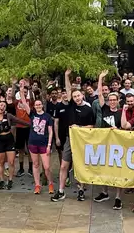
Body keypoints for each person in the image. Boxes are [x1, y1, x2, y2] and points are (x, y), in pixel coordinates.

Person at [52, 70, 96, 202]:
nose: (76, 98)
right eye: (74, 96)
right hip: (69, 140)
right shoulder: (71, 105)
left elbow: (92, 127)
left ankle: (81, 190)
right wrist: (66, 75)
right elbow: (68, 88)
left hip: (82, 142)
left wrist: (79, 128)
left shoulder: (88, 109)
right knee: (64, 166)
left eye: (78, 96)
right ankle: (60, 191)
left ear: (82, 96)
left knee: (80, 167)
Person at [0, 100, 28, 189]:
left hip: (9, 139)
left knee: (11, 162)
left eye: (4, 106)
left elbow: (19, 121)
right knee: (1, 162)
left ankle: (10, 180)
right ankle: (1, 180)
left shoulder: (8, 116)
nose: (2, 107)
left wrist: (31, 124)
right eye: (1, 105)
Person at [25, 94, 54, 195]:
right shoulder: (32, 114)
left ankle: (50, 183)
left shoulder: (47, 116)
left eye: (39, 104)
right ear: (34, 106)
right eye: (36, 105)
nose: (38, 106)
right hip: (33, 143)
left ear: (42, 105)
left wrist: (49, 145)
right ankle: (37, 185)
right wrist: (21, 89)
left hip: (44, 144)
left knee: (46, 166)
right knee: (36, 164)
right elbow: (24, 103)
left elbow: (50, 132)